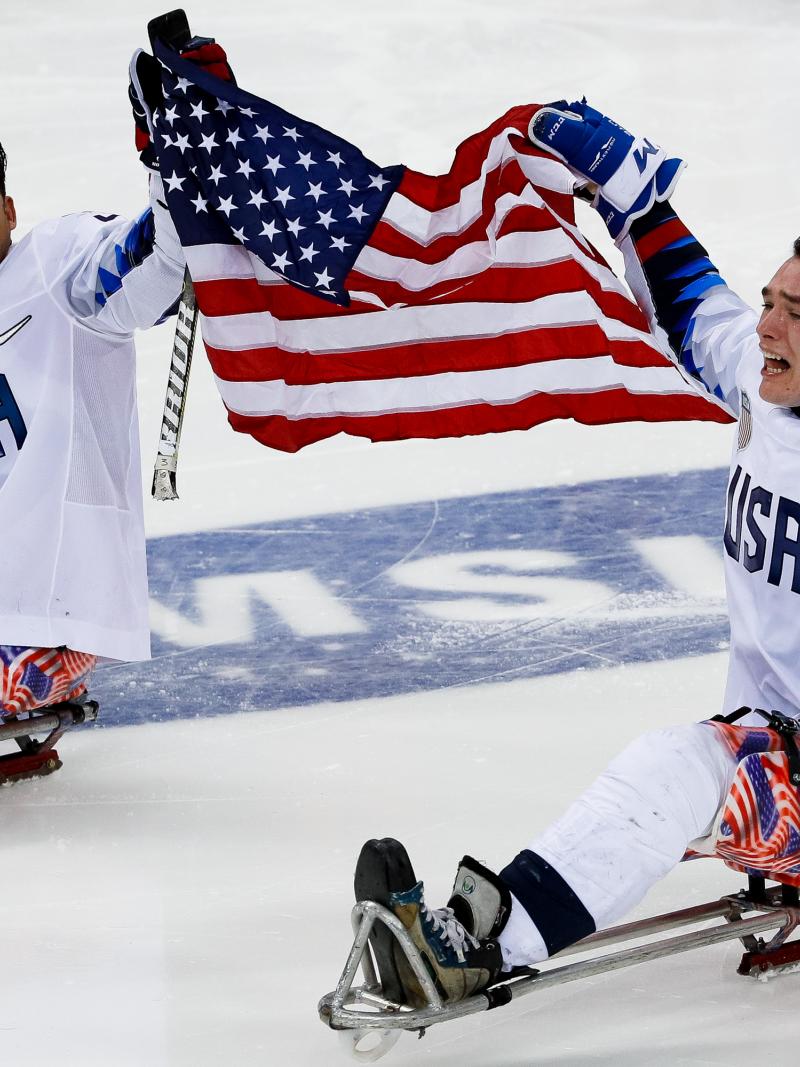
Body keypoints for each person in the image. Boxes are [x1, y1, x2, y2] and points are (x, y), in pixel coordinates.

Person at [354, 100, 800, 1008]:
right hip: (772, 752)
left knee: (675, 766)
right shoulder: (766, 385)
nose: (765, 329)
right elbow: (690, 304)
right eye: (772, 302)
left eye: (793, 315)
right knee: (691, 774)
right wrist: (633, 203)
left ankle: (480, 947)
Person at [0, 91, 185, 736]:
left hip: (44, 619)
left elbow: (157, 268)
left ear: (7, 208)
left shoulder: (58, 270)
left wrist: (173, 166)